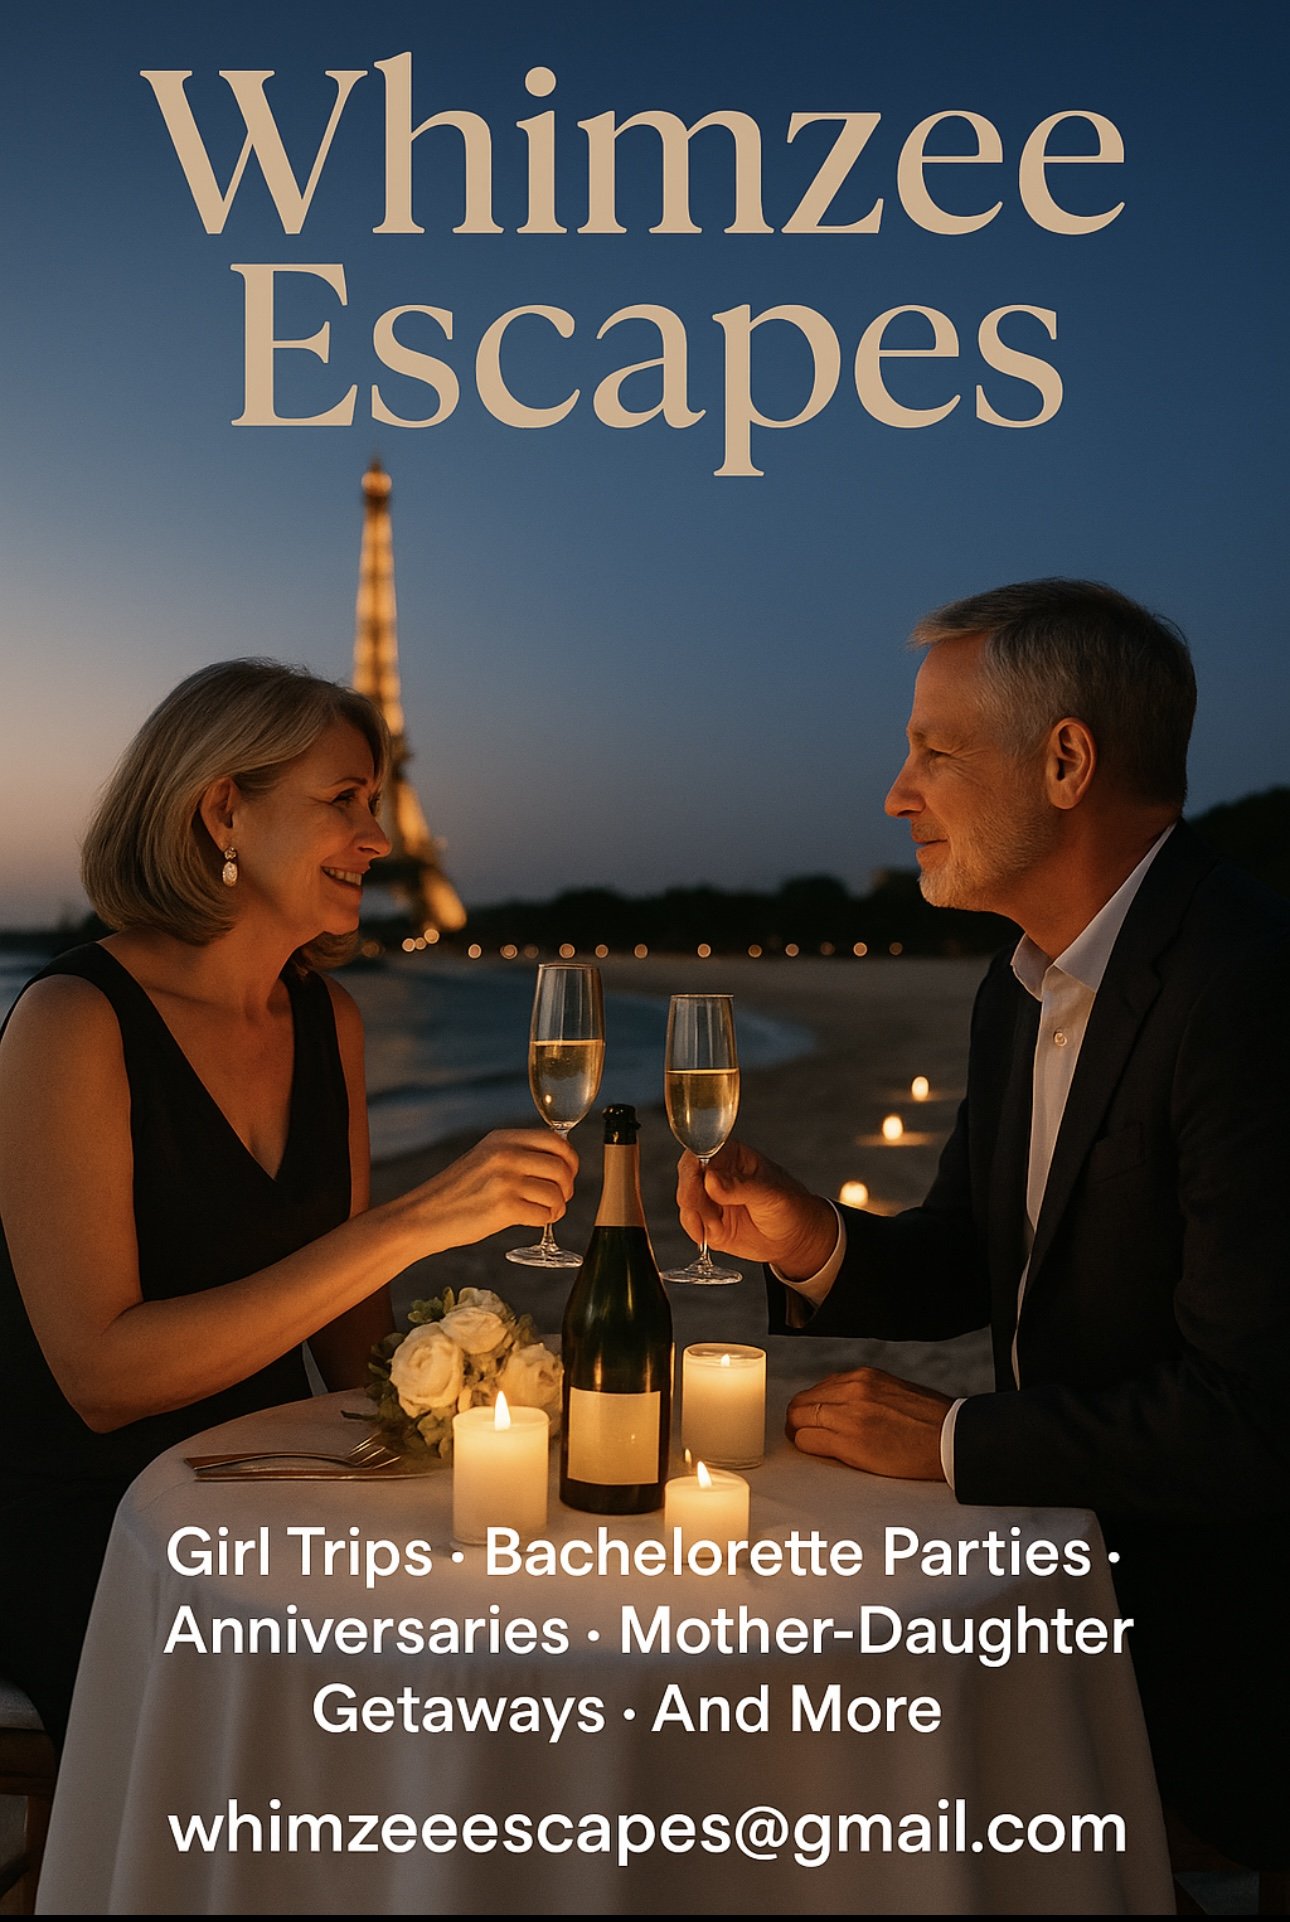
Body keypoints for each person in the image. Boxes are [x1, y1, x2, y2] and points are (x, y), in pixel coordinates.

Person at [677, 579, 1289, 1867]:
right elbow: (972, 1251)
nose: (898, 794)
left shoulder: (1248, 988)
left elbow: (1255, 1414)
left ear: (1066, 760)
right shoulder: (1020, 986)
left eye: (934, 753)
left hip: (1216, 1649)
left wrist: (956, 1437)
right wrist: (813, 1240)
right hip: (1066, 1596)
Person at [0, 659, 578, 1747]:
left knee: (491, 1647)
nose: (379, 836)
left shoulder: (330, 1021)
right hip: (91, 1519)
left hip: (260, 1483)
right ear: (224, 807)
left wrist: (470, 1416)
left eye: (374, 800)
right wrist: (415, 1220)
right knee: (318, 1723)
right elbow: (103, 1378)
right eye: (342, 801)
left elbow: (354, 1329)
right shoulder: (72, 1021)